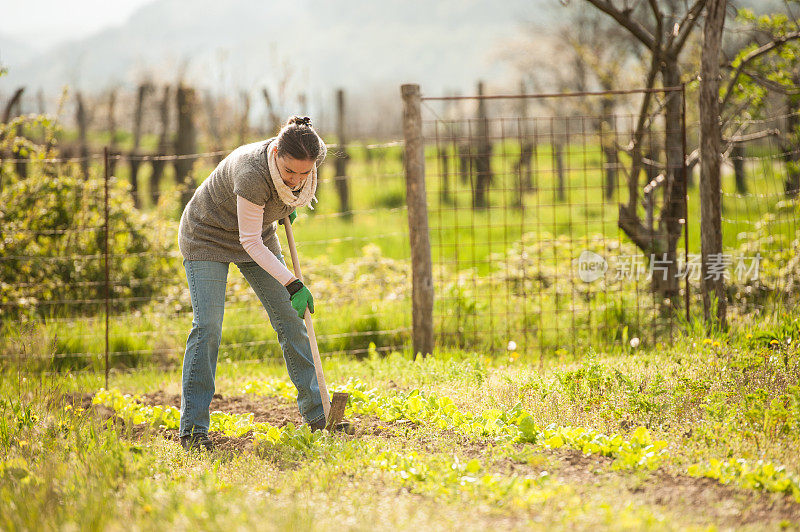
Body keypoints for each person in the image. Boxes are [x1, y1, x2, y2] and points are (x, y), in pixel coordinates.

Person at [177, 115, 328, 452]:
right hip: (207, 236)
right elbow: (249, 241)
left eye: (305, 174)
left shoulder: (304, 168)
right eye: (289, 172)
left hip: (255, 234)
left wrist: (284, 206)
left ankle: (319, 414)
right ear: (276, 153)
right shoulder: (251, 173)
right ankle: (193, 430)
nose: (296, 180)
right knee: (209, 327)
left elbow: (262, 221)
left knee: (292, 319)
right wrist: (292, 284)